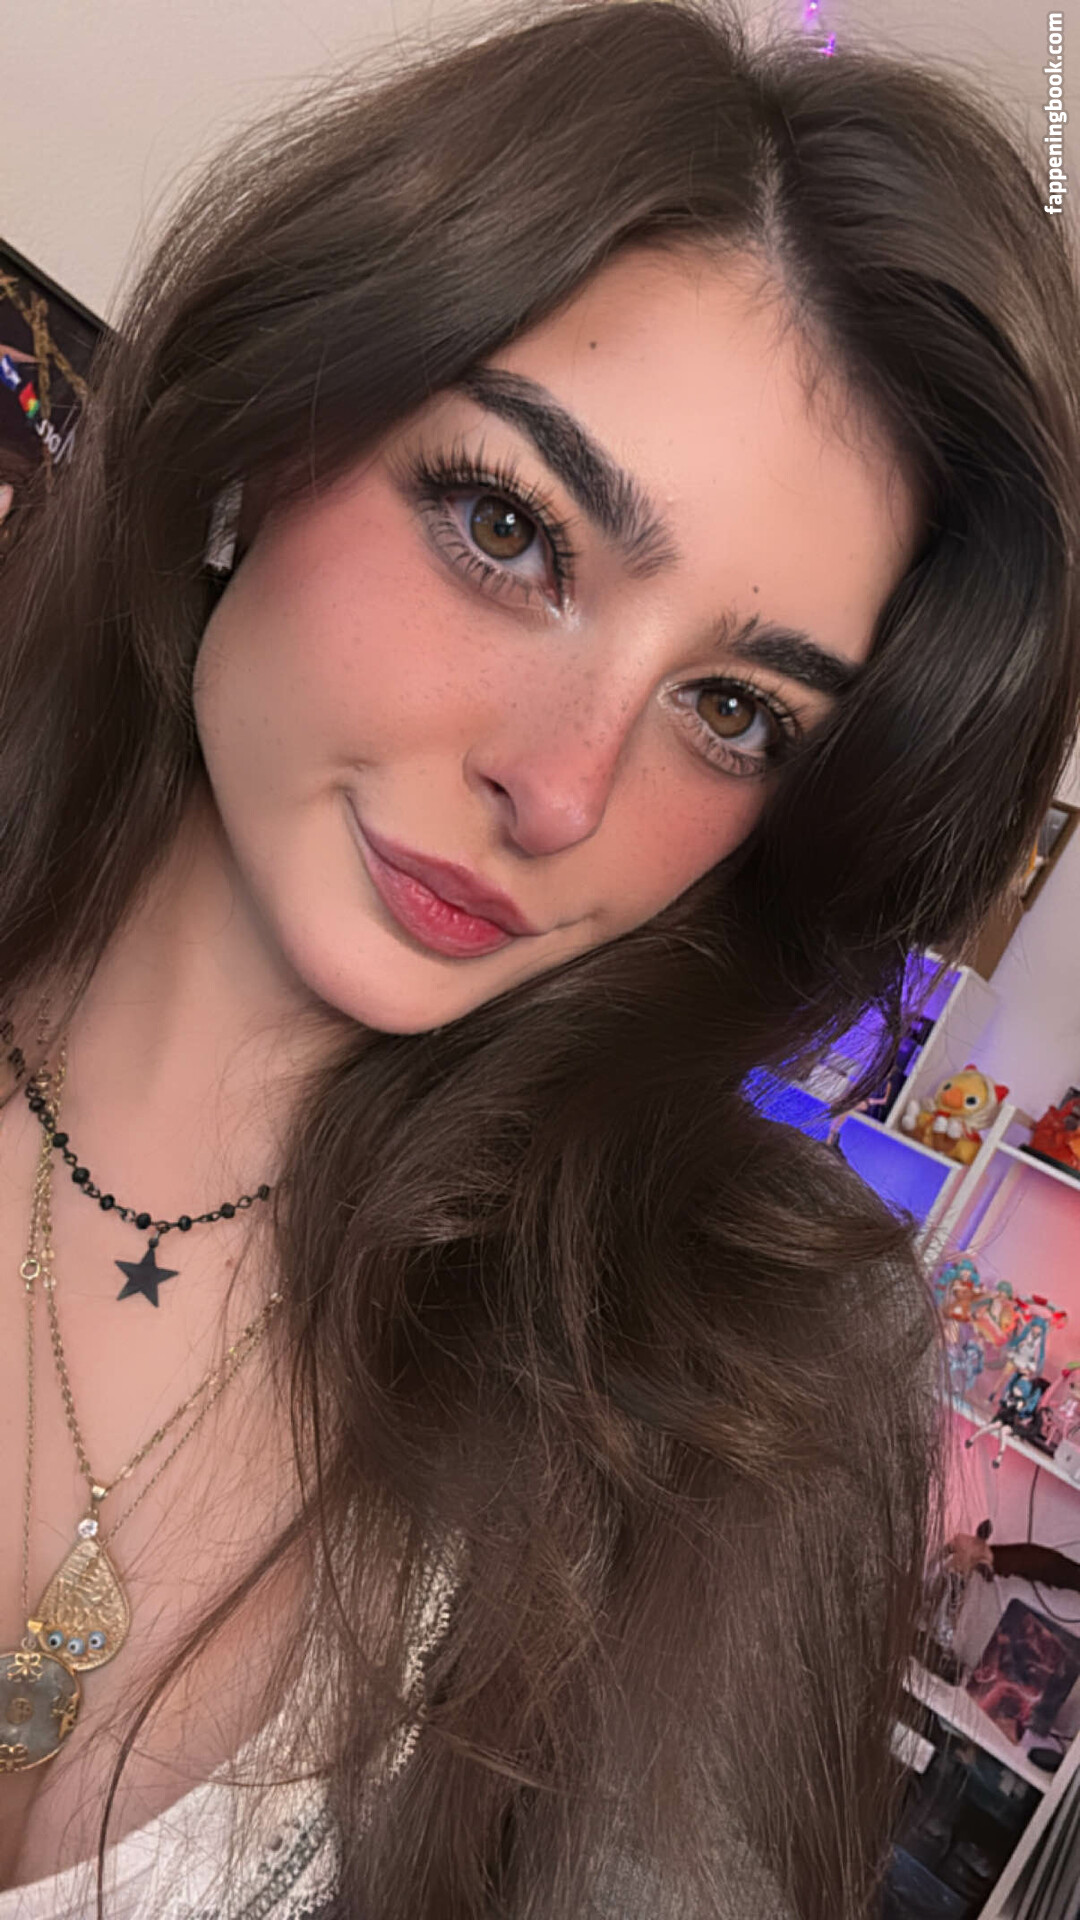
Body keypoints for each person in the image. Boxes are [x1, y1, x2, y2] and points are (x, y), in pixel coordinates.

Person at [0, 0, 1077, 1913]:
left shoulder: (724, 1404)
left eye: (735, 712)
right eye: (511, 526)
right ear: (269, 428)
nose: (564, 788)